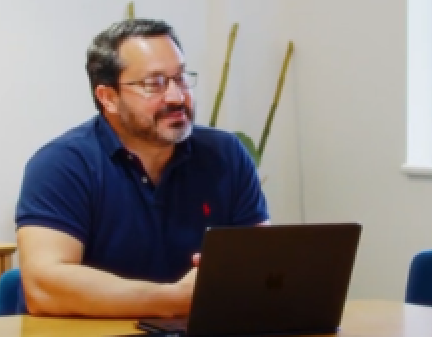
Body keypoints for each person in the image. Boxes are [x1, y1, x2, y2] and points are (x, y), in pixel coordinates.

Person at [15, 19, 269, 318]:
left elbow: (260, 263)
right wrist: (176, 299)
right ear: (108, 98)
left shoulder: (225, 154)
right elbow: (45, 287)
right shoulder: (61, 165)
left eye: (181, 77)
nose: (176, 97)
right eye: (154, 84)